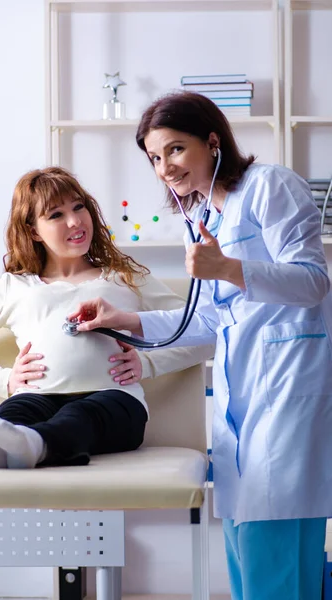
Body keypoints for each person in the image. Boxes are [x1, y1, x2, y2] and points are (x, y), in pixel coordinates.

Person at [68, 91, 332, 600]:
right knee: (248, 557)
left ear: (212, 142)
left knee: (270, 559)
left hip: (285, 393)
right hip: (243, 403)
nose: (165, 167)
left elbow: (313, 281)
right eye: (153, 157)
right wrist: (124, 319)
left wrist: (227, 269)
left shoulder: (270, 187)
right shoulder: (204, 215)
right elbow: (212, 319)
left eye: (175, 149)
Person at [0, 166, 213, 471]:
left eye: (79, 207)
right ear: (32, 231)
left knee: (80, 417)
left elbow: (205, 330)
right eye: (56, 215)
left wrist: (148, 363)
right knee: (10, 417)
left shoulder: (126, 278)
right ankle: (5, 448)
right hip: (37, 397)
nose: (75, 220)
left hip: (115, 401)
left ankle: (32, 444)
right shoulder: (12, 288)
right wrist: (3, 380)